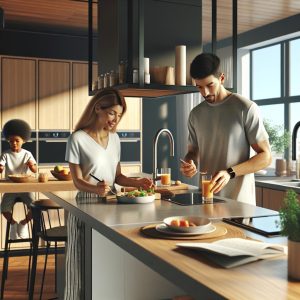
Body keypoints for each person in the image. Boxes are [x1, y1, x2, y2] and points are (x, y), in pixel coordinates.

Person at [64, 88, 153, 299]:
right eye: (112, 113)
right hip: (86, 206)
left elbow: (118, 177)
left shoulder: (115, 139)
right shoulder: (77, 139)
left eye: (119, 115)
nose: (115, 119)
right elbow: (77, 181)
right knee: (79, 261)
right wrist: (95, 189)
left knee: (104, 260)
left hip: (111, 207)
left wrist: (137, 182)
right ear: (97, 108)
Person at [180, 53, 271, 205]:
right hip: (207, 201)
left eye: (210, 85)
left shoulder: (246, 108)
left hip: (240, 204)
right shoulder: (195, 114)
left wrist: (230, 173)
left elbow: (266, 157)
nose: (205, 93)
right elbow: (193, 151)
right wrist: (189, 163)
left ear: (222, 78)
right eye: (199, 87)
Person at [0, 119, 37, 239]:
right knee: (4, 209)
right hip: (11, 188)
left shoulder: (27, 154)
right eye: (11, 141)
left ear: (23, 140)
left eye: (17, 141)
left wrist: (31, 165)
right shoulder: (5, 154)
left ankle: (23, 223)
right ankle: (13, 224)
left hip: (25, 187)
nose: (14, 143)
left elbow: (35, 170)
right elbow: (0, 166)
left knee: (35, 208)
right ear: (8, 141)